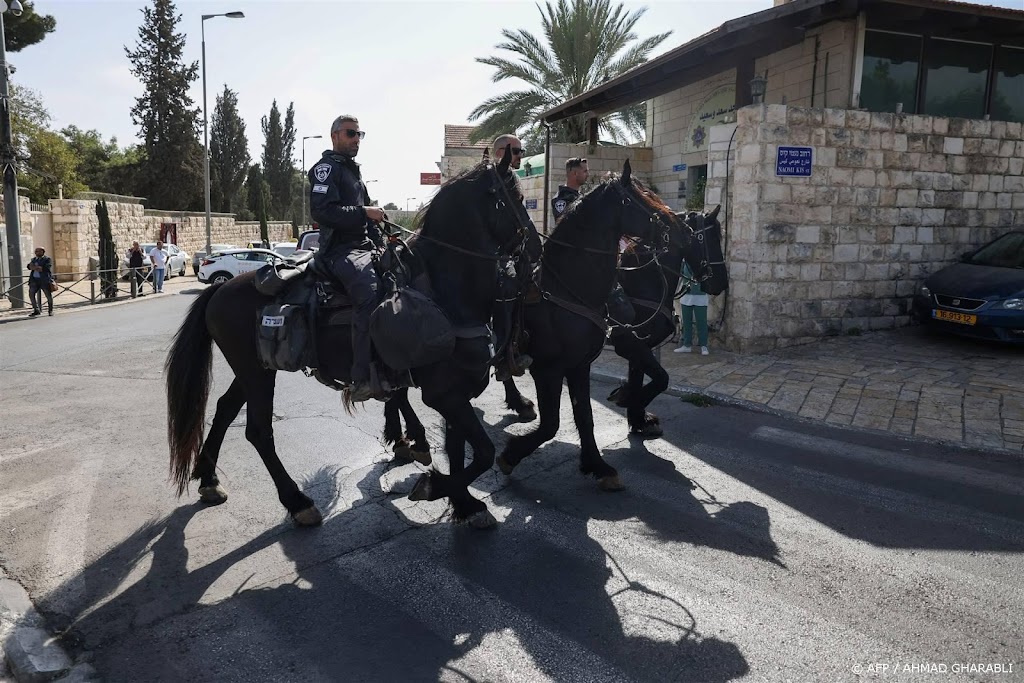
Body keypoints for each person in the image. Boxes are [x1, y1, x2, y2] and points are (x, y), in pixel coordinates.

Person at [309, 114, 387, 403]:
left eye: (359, 134)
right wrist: (364, 212)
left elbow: (367, 223)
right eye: (351, 133)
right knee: (369, 295)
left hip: (363, 247)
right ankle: (360, 377)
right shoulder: (326, 169)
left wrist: (383, 243)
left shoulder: (352, 171)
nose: (356, 139)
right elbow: (322, 212)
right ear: (335, 136)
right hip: (339, 252)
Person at [489, 133, 533, 382]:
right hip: (490, 252)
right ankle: (504, 354)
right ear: (501, 153)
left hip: (509, 250)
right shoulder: (490, 179)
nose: (519, 156)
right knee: (506, 288)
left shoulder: (511, 178)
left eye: (520, 151)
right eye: (515, 151)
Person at [674, 263, 709, 355]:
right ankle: (686, 345)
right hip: (686, 294)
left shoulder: (703, 262)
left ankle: (704, 345)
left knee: (701, 321)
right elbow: (680, 274)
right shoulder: (685, 262)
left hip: (700, 294)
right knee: (686, 321)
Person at [551, 157, 588, 223]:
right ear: (575, 173)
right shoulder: (561, 199)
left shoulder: (580, 196)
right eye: (585, 171)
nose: (588, 175)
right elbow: (563, 225)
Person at [27, 247, 54, 317]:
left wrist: (35, 267)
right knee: (31, 294)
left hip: (44, 280)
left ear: (43, 252)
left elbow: (46, 268)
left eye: (38, 251)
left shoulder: (47, 259)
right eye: (36, 251)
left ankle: (50, 310)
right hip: (34, 280)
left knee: (48, 295)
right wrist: (36, 267)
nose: (37, 253)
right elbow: (29, 266)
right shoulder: (33, 259)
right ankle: (36, 310)